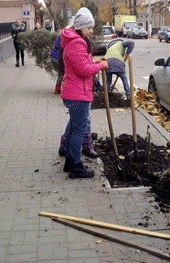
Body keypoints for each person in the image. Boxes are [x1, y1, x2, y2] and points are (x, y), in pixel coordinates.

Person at [60, 8, 108, 178]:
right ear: (80, 27)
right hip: (77, 94)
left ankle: (69, 163)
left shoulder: (75, 41)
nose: (91, 30)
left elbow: (83, 62)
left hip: (75, 92)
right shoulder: (77, 43)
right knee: (79, 130)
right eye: (89, 27)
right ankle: (75, 166)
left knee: (74, 128)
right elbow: (83, 69)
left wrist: (96, 61)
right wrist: (100, 66)